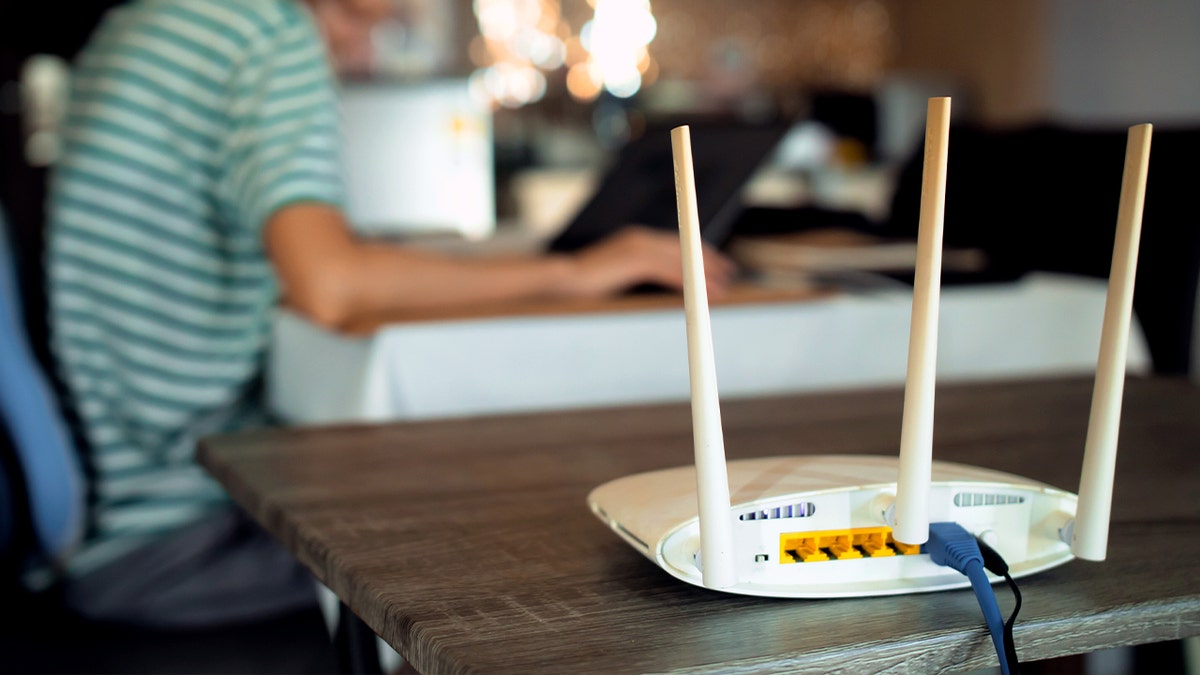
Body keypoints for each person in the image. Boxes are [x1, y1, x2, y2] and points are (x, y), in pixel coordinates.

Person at [44, 0, 732, 627]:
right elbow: (332, 285)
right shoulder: (266, 32)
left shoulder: (139, 19)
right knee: (544, 549)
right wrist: (575, 273)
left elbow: (289, 265)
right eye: (354, 20)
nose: (353, 51)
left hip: (119, 497)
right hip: (173, 529)